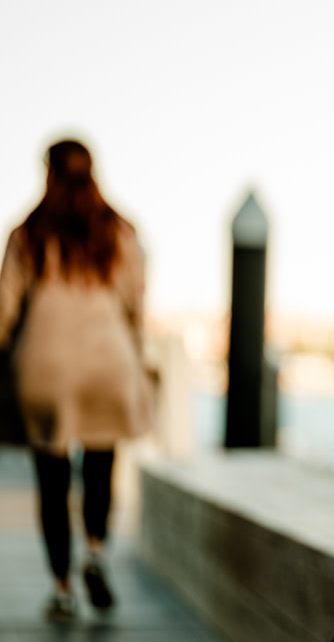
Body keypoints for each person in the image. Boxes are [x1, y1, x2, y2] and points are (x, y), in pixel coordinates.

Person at [0, 139, 152, 621]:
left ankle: (63, 590)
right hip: (107, 364)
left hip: (44, 368)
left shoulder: (27, 234)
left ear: (49, 173)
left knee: (52, 479)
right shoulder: (119, 231)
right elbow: (134, 302)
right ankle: (95, 551)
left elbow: (5, 308)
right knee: (101, 465)